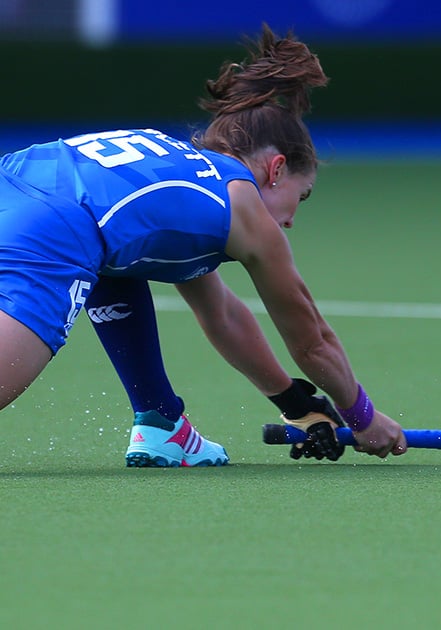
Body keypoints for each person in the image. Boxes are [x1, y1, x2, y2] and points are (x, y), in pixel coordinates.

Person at [0, 25, 407, 466]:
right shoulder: (243, 205)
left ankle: (162, 423)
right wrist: (363, 417)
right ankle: (162, 423)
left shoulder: (185, 180)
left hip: (15, 181)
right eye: (299, 196)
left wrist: (294, 402)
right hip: (53, 222)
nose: (290, 220)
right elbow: (313, 342)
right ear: (275, 169)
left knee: (115, 262)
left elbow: (224, 314)